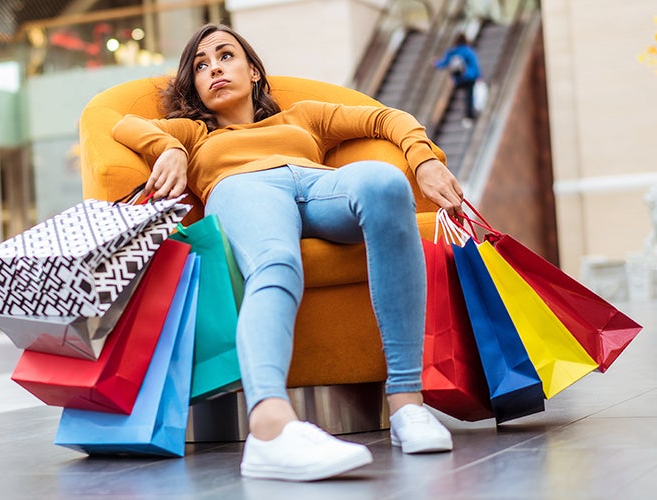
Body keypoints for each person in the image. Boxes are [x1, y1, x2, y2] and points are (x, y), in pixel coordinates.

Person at [112, 24, 463, 482]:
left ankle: (406, 405)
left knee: (385, 183)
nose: (215, 68)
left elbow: (384, 118)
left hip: (316, 184)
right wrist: (170, 148)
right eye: (201, 65)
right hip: (243, 188)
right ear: (196, 86)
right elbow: (123, 123)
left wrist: (423, 158)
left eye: (225, 56)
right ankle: (271, 429)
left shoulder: (303, 117)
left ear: (254, 71)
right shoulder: (194, 132)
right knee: (277, 263)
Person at [434, 33, 482, 128]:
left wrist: (436, 63)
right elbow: (474, 63)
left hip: (458, 79)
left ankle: (451, 113)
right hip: (469, 77)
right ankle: (469, 116)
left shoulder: (452, 52)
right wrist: (478, 75)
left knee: (461, 94)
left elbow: (444, 63)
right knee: (469, 97)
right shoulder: (468, 51)